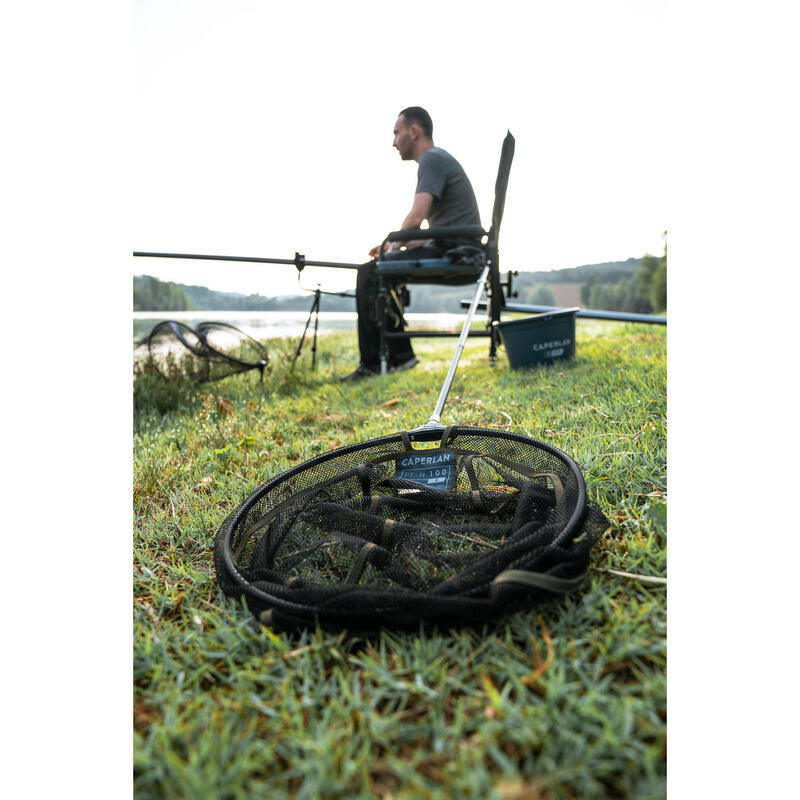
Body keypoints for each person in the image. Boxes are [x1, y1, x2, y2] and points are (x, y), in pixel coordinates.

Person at [340, 106, 482, 381]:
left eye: (396, 133)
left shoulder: (432, 159)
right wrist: (400, 246)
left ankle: (373, 364)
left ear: (413, 131)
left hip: (458, 253)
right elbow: (434, 231)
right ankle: (401, 356)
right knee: (380, 266)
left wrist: (392, 245)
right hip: (456, 246)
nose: (394, 142)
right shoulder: (437, 160)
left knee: (370, 272)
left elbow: (417, 216)